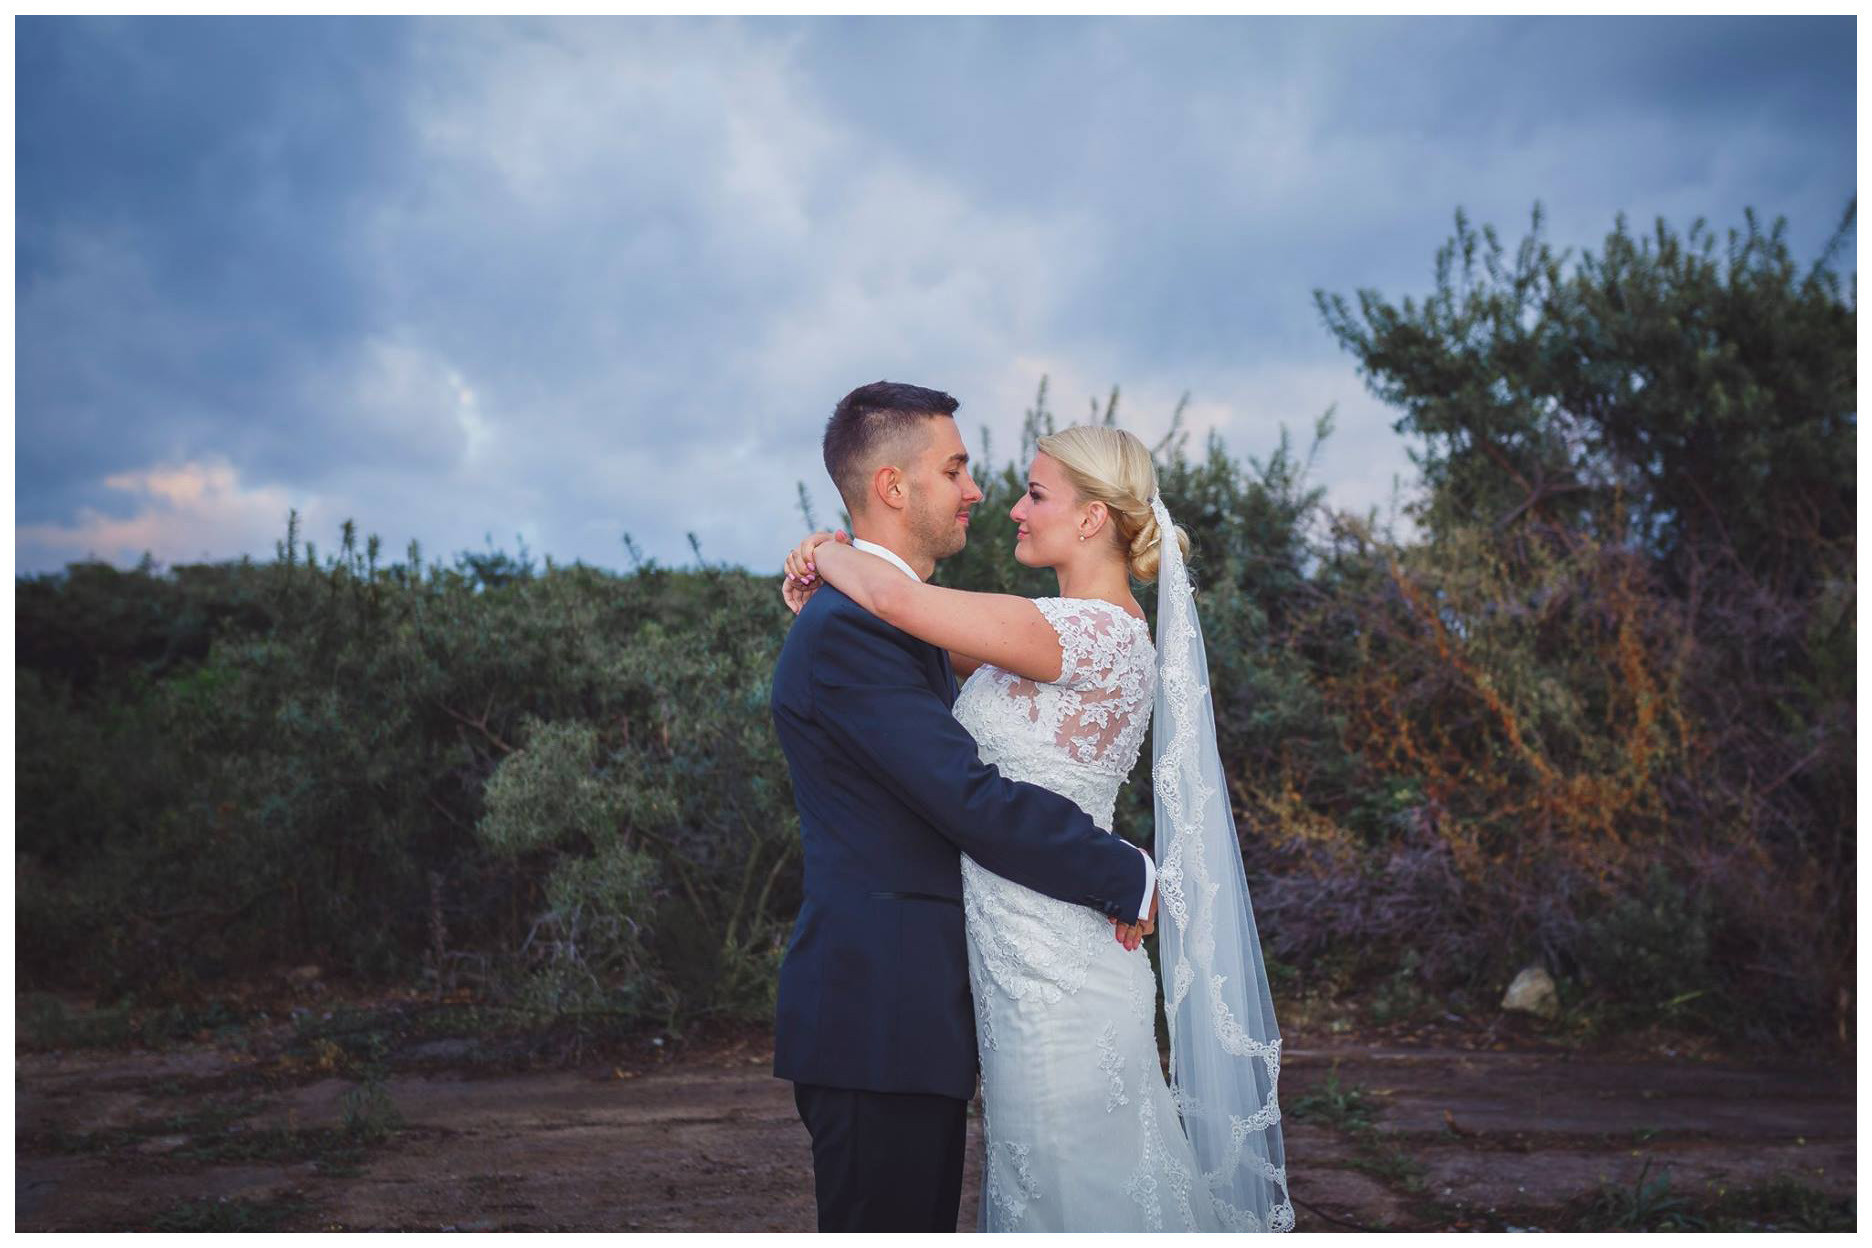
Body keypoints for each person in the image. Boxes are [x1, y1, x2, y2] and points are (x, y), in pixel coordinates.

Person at [781, 398, 1292, 1232]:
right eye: (964, 472)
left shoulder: (1086, 632)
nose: (1006, 504)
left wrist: (828, 550)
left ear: (1092, 518)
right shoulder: (1026, 635)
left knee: (1083, 1185)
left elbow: (904, 610)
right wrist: (834, 566)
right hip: (1002, 959)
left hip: (1058, 953)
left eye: (1035, 493)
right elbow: (905, 635)